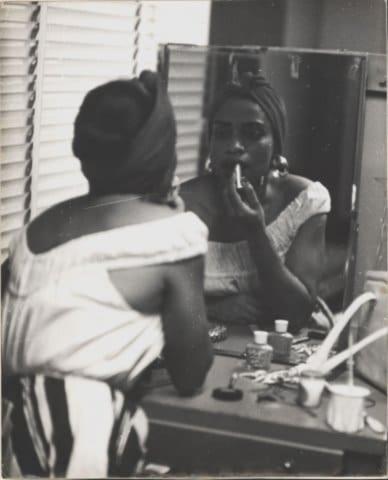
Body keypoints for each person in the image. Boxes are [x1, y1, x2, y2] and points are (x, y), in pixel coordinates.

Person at [1, 71, 213, 477]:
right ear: (158, 152)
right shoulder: (173, 232)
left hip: (12, 427)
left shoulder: (38, 228)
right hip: (79, 432)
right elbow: (192, 373)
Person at [181, 72, 331, 332]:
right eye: (222, 133)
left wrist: (256, 232)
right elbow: (151, 298)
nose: (235, 146)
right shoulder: (180, 204)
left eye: (253, 133)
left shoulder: (305, 201)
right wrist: (213, 309)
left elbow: (297, 313)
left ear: (276, 148)